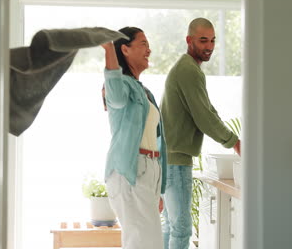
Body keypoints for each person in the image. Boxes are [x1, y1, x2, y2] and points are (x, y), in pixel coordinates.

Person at [160, 18, 241, 249]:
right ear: (189, 40)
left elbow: (206, 108)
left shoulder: (187, 68)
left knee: (171, 227)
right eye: (203, 40)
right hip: (176, 161)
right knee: (182, 229)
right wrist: (234, 142)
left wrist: (232, 139)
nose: (209, 46)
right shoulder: (188, 70)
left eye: (213, 40)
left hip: (169, 157)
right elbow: (203, 117)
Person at [101, 27, 167, 249]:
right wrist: (108, 50)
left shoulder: (143, 91)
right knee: (144, 245)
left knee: (146, 244)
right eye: (143, 44)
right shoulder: (118, 85)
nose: (149, 49)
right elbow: (117, 99)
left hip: (147, 172)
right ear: (125, 50)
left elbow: (154, 139)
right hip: (131, 172)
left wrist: (157, 189)